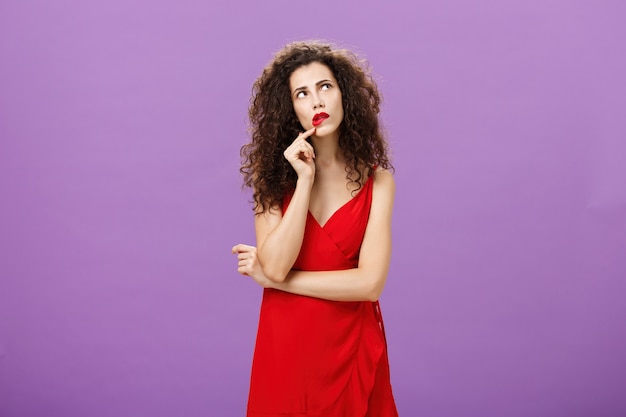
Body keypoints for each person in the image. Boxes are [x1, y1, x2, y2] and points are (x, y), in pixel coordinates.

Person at [232, 40, 398, 417]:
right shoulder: (273, 179)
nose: (317, 101)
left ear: (345, 94)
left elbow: (370, 284)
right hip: (287, 344)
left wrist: (279, 283)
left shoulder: (379, 182)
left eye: (325, 87)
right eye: (302, 94)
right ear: (292, 110)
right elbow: (274, 263)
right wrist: (303, 180)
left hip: (351, 344)